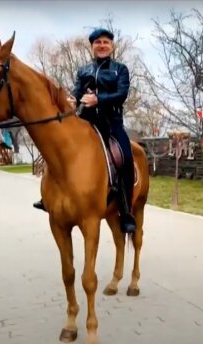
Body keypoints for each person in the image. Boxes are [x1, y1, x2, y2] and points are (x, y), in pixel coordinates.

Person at [32, 27, 137, 234]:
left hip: (112, 122)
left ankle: (126, 212)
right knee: (57, 148)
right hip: (85, 120)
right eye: (97, 42)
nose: (102, 45)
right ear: (92, 47)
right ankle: (48, 197)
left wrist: (99, 99)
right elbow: (77, 92)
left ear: (112, 46)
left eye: (106, 42)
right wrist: (71, 100)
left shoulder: (120, 69)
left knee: (125, 157)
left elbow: (122, 94)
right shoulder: (83, 71)